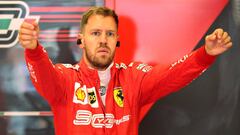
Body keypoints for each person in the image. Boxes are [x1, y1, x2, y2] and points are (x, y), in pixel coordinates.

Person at [18, 6, 232, 135]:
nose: (103, 40)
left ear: (117, 40)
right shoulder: (65, 79)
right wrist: (34, 50)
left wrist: (205, 54)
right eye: (95, 33)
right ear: (81, 40)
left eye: (110, 34)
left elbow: (172, 75)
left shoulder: (133, 78)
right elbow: (44, 75)